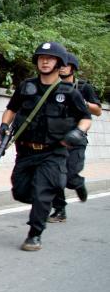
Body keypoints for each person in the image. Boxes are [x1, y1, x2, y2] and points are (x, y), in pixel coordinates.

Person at [0, 42, 92, 251]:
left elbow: (85, 118)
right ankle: (46, 198)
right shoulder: (26, 87)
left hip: (53, 152)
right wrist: (4, 125)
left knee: (42, 192)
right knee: (20, 192)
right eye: (41, 57)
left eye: (50, 58)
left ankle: (34, 234)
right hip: (25, 151)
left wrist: (77, 133)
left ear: (59, 63)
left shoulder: (69, 92)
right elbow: (11, 109)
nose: (45, 61)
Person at [48, 52, 102, 223]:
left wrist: (80, 101)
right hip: (56, 140)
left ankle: (78, 183)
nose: (62, 67)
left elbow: (98, 110)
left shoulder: (83, 87)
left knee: (70, 177)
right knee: (56, 176)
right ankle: (59, 210)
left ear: (73, 68)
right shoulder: (51, 87)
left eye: (66, 65)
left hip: (76, 140)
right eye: (60, 64)